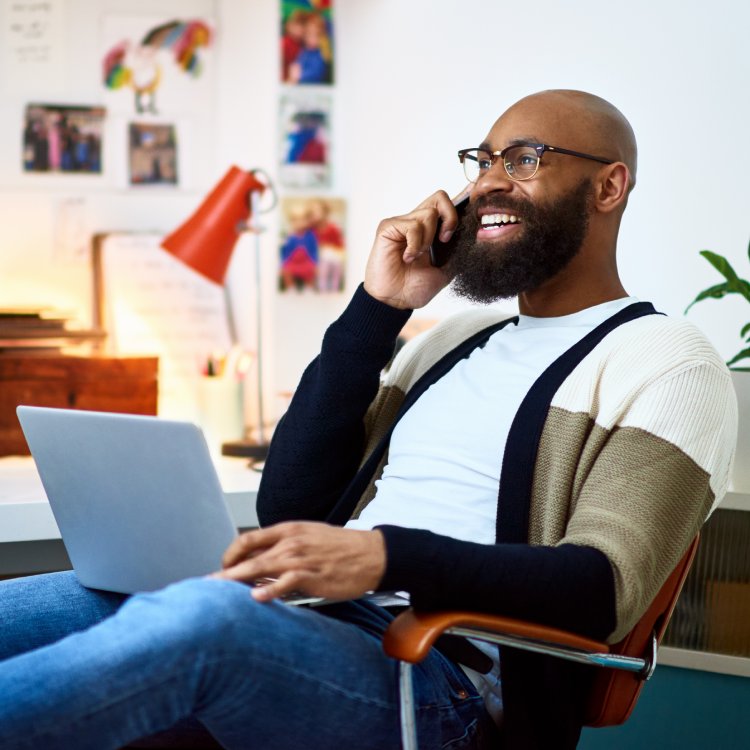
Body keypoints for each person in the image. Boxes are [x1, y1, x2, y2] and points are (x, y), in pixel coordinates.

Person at [0, 90, 736, 749]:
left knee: (205, 625)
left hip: (436, 680)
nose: (486, 183)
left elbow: (603, 589)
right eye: (481, 161)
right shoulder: (453, 342)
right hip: (309, 625)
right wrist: (379, 308)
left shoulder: (665, 361)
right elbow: (289, 501)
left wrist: (386, 557)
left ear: (608, 186)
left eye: (524, 158)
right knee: (39, 604)